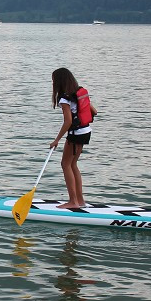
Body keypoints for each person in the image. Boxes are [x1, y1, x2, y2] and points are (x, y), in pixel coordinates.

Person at [49, 68, 98, 209]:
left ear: (59, 81)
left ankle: (73, 202)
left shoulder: (65, 98)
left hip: (76, 134)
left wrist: (57, 139)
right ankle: (80, 201)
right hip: (86, 131)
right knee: (72, 164)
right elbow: (94, 111)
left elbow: (68, 121)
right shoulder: (79, 93)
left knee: (65, 165)